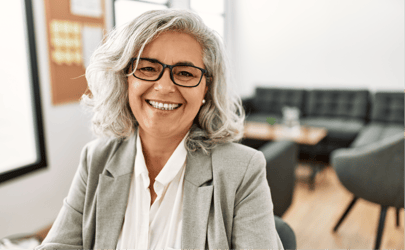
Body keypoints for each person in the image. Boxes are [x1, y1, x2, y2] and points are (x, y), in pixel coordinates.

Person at [35, 9, 284, 250]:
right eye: (147, 68)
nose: (164, 87)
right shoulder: (96, 159)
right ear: (126, 78)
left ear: (205, 89)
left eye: (185, 73)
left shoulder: (242, 170)